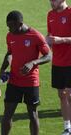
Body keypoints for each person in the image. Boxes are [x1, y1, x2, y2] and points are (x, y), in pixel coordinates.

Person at [0, 10, 51, 135]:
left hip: (31, 82)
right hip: (14, 80)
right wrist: (3, 69)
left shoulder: (35, 36)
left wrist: (33, 62)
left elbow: (49, 55)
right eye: (8, 26)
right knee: (7, 113)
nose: (9, 29)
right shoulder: (10, 35)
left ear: (20, 23)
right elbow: (9, 53)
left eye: (11, 26)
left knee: (32, 114)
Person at [46, 0, 71, 134]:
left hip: (70, 61)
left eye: (54, 0)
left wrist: (62, 40)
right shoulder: (50, 15)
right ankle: (67, 128)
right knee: (62, 94)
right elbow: (50, 34)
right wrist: (47, 40)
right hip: (57, 62)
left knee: (68, 94)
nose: (51, 2)